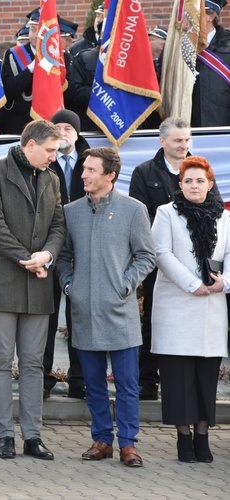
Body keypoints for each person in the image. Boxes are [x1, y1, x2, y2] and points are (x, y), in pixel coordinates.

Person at [0, 120, 65, 461]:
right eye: (50, 150)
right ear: (30, 144)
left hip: (38, 282)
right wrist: (29, 259)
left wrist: (48, 254)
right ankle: (5, 435)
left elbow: (58, 225)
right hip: (1, 282)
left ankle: (33, 436)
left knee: (32, 364)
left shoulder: (52, 179)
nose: (54, 157)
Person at [57, 147, 155, 468]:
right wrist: (71, 286)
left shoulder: (133, 210)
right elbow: (63, 256)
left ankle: (129, 444)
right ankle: (102, 440)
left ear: (110, 175)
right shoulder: (71, 211)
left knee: (128, 385)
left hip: (121, 313)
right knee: (93, 383)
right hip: (84, 312)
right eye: (83, 169)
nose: (83, 174)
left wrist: (125, 285)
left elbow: (146, 256)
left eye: (90, 170)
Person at [128, 117, 221, 400]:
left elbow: (214, 208)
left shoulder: (201, 169)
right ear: (162, 141)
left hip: (199, 260)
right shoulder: (145, 172)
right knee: (153, 318)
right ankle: (147, 380)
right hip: (162, 258)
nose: (184, 145)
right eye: (178, 140)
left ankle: (188, 381)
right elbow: (141, 216)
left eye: (187, 139)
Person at [151, 156, 230, 463]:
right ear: (179, 184)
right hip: (176, 305)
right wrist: (190, 283)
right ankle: (183, 438)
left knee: (205, 377)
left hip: (211, 305)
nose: (194, 186)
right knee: (178, 376)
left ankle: (203, 436)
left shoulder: (224, 218)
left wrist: (222, 284)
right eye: (188, 181)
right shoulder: (166, 213)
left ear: (210, 184)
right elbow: (161, 252)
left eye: (200, 180)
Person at [43, 109, 88, 399]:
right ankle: (43, 377)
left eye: (68, 128)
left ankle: (79, 379)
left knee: (79, 315)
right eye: (57, 128)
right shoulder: (43, 164)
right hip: (50, 246)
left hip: (82, 247)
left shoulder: (90, 161)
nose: (63, 132)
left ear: (76, 133)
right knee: (46, 315)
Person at [192, 0, 230, 127]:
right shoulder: (181, 44)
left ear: (211, 16)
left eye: (196, 11)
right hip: (187, 127)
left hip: (223, 123)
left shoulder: (228, 44)